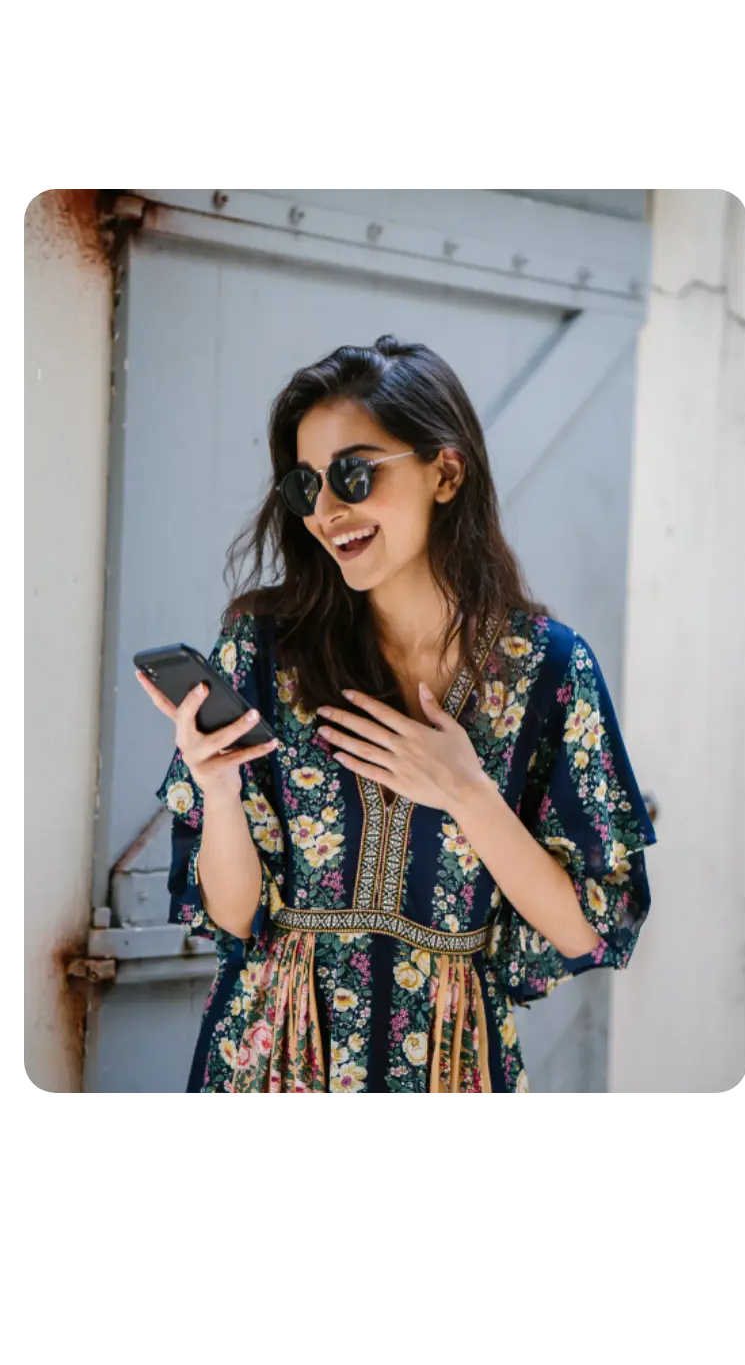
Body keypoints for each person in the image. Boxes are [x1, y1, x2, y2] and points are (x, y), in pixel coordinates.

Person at [145, 335, 657, 1093]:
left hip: (449, 1063)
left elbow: (589, 926)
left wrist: (466, 791)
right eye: (305, 486)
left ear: (444, 471)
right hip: (273, 1056)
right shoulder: (264, 649)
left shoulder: (548, 670)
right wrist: (217, 792)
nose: (326, 511)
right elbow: (234, 917)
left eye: (353, 474)